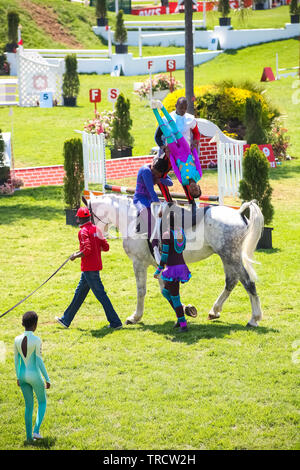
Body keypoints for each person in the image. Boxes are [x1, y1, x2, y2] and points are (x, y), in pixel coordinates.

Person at [55, 207, 122, 330]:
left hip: (89, 269)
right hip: (93, 268)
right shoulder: (97, 229)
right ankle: (66, 320)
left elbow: (87, 249)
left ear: (80, 218)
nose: (77, 219)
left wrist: (75, 255)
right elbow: (106, 247)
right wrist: (96, 247)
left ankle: (116, 322)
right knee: (79, 294)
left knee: (101, 295)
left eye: (77, 217)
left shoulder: (83, 232)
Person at [153, 97, 201, 204]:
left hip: (185, 153)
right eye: (180, 107)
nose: (183, 110)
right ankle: (169, 201)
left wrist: (195, 142)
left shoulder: (191, 119)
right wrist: (163, 148)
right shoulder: (167, 118)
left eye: (185, 108)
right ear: (176, 106)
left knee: (188, 180)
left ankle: (192, 203)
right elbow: (157, 137)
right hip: (170, 152)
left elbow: (197, 134)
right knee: (160, 176)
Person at [14, 311, 50, 442]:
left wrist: (18, 377)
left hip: (22, 376)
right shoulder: (36, 340)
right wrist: (47, 379)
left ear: (23, 324)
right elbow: (39, 361)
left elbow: (16, 360)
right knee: (42, 402)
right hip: (34, 376)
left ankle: (29, 438)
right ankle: (36, 431)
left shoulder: (16, 339)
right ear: (35, 325)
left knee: (28, 406)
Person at [154, 206, 191, 333]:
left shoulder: (166, 235)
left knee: (175, 297)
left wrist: (158, 271)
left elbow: (164, 256)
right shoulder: (181, 232)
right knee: (165, 292)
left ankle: (183, 324)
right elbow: (183, 247)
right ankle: (179, 317)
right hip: (181, 266)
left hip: (172, 269)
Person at [133, 157, 173, 264]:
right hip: (140, 199)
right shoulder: (146, 171)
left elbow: (170, 183)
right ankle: (155, 249)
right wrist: (158, 206)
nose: (155, 175)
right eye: (154, 173)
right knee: (151, 218)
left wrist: (161, 179)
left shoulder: (158, 172)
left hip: (150, 199)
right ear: (153, 167)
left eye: (157, 174)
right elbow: (151, 191)